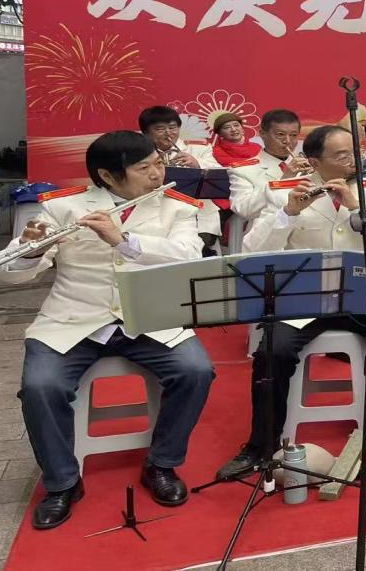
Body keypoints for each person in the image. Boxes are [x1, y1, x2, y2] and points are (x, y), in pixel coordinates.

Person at [3, 131, 214, 527]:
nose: (157, 173)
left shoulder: (178, 207)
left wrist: (124, 240)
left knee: (196, 371)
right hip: (73, 318)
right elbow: (13, 274)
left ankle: (162, 464)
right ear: (107, 175)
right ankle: (63, 482)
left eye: (158, 163)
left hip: (150, 318)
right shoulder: (63, 206)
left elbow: (188, 256)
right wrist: (32, 250)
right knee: (40, 386)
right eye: (143, 168)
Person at [216, 125, 366, 480]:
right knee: (273, 351)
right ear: (315, 161)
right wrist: (288, 214)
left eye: (356, 153)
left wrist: (357, 209)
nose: (354, 161)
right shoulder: (284, 192)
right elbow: (252, 251)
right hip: (302, 302)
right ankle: (261, 445)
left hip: (362, 298)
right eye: (341, 155)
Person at [139, 105, 223, 253]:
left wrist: (197, 163)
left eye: (173, 127)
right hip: (156, 216)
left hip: (200, 216)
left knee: (196, 252)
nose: (168, 133)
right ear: (146, 132)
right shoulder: (138, 154)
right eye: (160, 129)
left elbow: (222, 175)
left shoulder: (199, 149)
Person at [228, 109, 310, 220]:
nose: (287, 141)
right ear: (262, 134)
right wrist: (283, 181)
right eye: (280, 134)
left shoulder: (309, 165)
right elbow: (244, 210)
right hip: (270, 228)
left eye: (293, 135)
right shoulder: (243, 170)